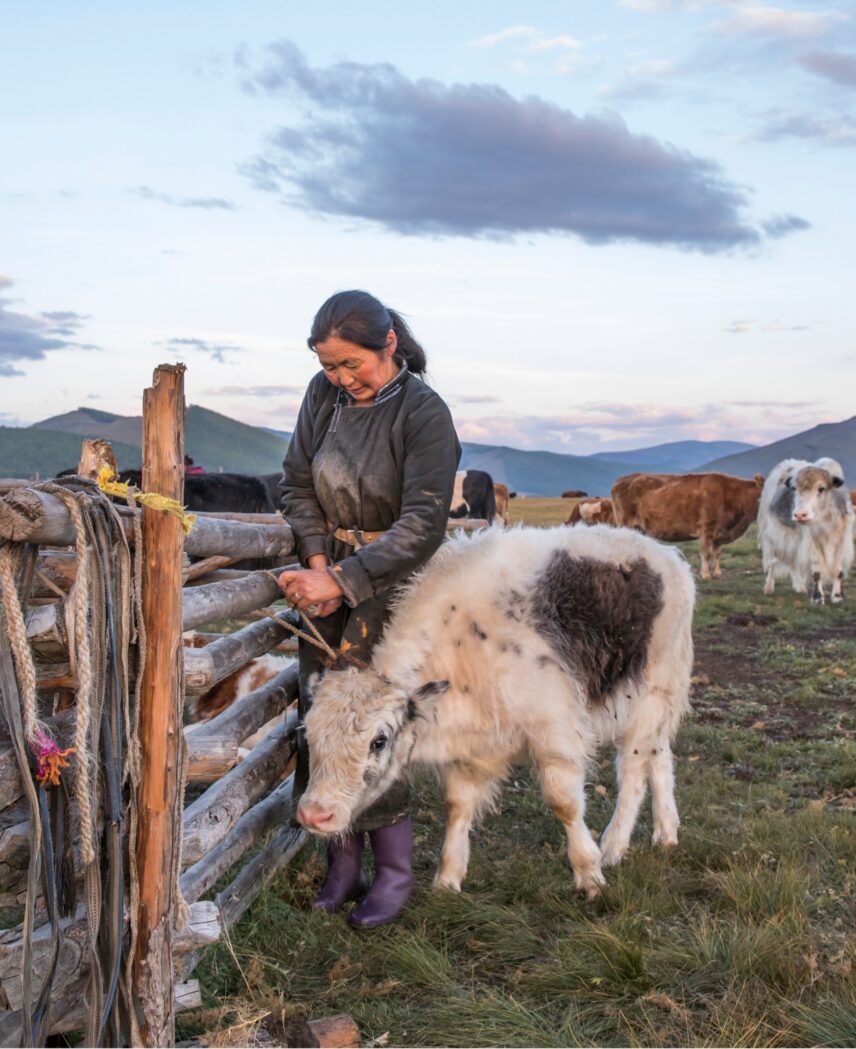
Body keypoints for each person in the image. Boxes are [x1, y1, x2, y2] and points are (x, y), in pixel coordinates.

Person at [278, 290, 461, 928]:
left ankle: (395, 873)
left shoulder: (424, 413)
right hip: (328, 577)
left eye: (353, 364)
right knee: (322, 714)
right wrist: (319, 562)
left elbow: (422, 523)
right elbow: (297, 482)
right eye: (330, 366)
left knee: (374, 726)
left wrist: (350, 578)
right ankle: (341, 863)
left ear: (390, 345)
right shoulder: (321, 395)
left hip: (396, 586)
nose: (341, 379)